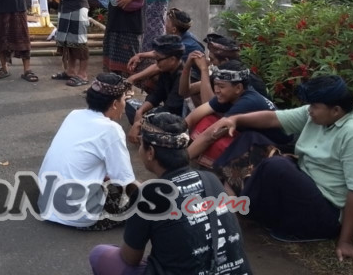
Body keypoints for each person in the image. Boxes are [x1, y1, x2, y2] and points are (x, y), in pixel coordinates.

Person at [213, 75, 353, 261]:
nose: (309, 111)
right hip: (304, 181)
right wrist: (235, 120)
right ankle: (232, 196)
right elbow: (272, 119)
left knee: (277, 166)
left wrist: (345, 241)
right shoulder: (318, 113)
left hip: (324, 212)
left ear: (336, 110)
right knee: (251, 137)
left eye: (314, 107)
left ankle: (237, 204)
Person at [89, 110, 252, 275]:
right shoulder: (211, 179)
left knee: (99, 254)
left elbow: (130, 258)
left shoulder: (148, 195)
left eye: (140, 143)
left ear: (151, 152)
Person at [38, 73, 138, 231]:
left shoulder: (74, 115)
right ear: (114, 104)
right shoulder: (111, 130)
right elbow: (125, 181)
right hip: (78, 216)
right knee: (142, 204)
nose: (124, 106)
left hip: (45, 203)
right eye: (124, 100)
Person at [184, 63, 289, 166]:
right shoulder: (230, 95)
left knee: (215, 138)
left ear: (238, 88)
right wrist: (177, 136)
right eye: (215, 85)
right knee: (206, 120)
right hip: (256, 140)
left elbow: (210, 136)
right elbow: (195, 115)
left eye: (221, 86)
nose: (216, 90)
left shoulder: (248, 102)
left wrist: (179, 162)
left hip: (279, 149)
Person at [127, 8, 204, 95]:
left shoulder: (186, 45)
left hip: (193, 80)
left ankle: (166, 97)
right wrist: (140, 55)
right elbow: (161, 52)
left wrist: (132, 78)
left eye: (167, 22)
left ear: (174, 29)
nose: (164, 24)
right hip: (184, 74)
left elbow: (158, 66)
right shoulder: (183, 35)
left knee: (156, 73)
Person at [126, 35, 185, 144]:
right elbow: (157, 94)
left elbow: (172, 108)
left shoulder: (183, 76)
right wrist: (140, 111)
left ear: (172, 59)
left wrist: (140, 122)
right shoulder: (166, 70)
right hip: (165, 111)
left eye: (158, 59)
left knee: (150, 121)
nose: (156, 64)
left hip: (176, 118)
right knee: (130, 106)